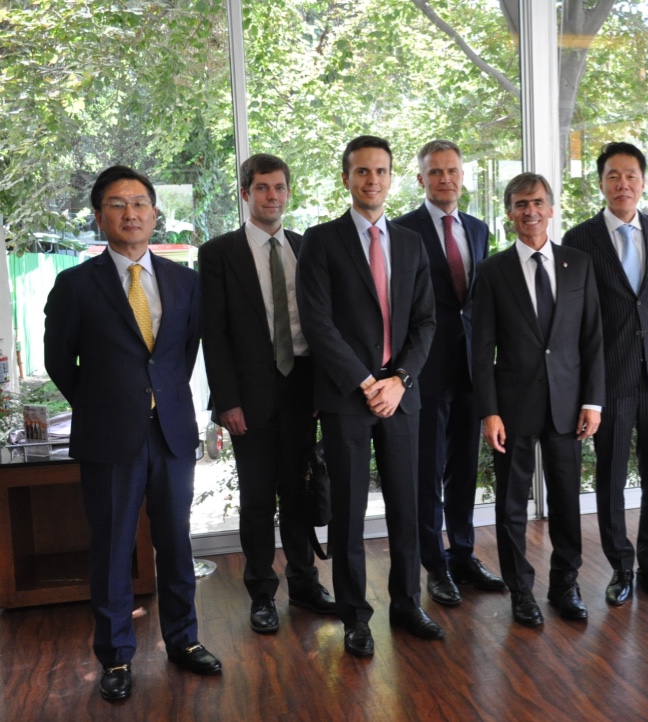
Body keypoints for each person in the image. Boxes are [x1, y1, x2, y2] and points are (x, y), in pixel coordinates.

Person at [44, 165, 221, 701]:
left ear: (154, 212)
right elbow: (59, 361)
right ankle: (116, 656)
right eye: (118, 204)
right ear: (100, 216)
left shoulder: (185, 282)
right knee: (113, 548)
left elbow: (182, 353)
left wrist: (159, 399)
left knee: (176, 542)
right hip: (109, 436)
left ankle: (184, 641)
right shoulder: (76, 284)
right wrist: (103, 404)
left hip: (171, 433)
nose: (131, 213)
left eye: (140, 203)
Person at [295, 135, 439, 657]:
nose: (372, 180)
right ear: (346, 178)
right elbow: (317, 322)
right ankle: (355, 615)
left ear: (391, 178)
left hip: (400, 395)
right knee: (349, 513)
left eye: (380, 171)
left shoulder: (411, 243)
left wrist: (399, 380)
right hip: (347, 396)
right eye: (362, 171)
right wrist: (364, 381)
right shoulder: (320, 240)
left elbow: (425, 322)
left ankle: (407, 603)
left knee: (406, 506)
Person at [199, 154, 335, 635]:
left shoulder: (306, 246)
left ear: (288, 193)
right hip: (249, 396)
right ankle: (261, 593)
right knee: (257, 498)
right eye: (261, 187)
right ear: (245, 193)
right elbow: (214, 334)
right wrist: (226, 401)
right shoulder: (219, 253)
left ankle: (305, 584)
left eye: (279, 187)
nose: (271, 196)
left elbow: (320, 324)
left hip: (301, 389)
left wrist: (322, 389)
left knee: (298, 493)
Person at [472, 172, 605, 627]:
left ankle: (565, 585)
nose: (530, 211)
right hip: (513, 408)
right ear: (509, 213)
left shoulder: (578, 264)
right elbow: (480, 350)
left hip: (569, 405)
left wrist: (593, 402)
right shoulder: (492, 271)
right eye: (521, 204)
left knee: (567, 500)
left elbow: (592, 338)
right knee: (511, 505)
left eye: (537, 203)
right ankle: (521, 591)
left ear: (551, 209)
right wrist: (489, 411)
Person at [562, 142, 648, 607]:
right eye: (613, 176)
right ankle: (621, 567)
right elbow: (576, 318)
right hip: (609, 378)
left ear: (643, 181)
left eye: (631, 175)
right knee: (610, 478)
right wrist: (585, 388)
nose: (623, 184)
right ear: (601, 183)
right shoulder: (579, 238)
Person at [391, 140, 504, 608]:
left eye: (452, 171)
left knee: (463, 468)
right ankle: (434, 564)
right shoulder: (401, 230)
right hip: (425, 369)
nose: (445, 179)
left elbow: (476, 303)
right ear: (421, 179)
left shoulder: (478, 229)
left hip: (472, 367)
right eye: (435, 172)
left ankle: (462, 554)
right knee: (428, 470)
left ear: (462, 176)